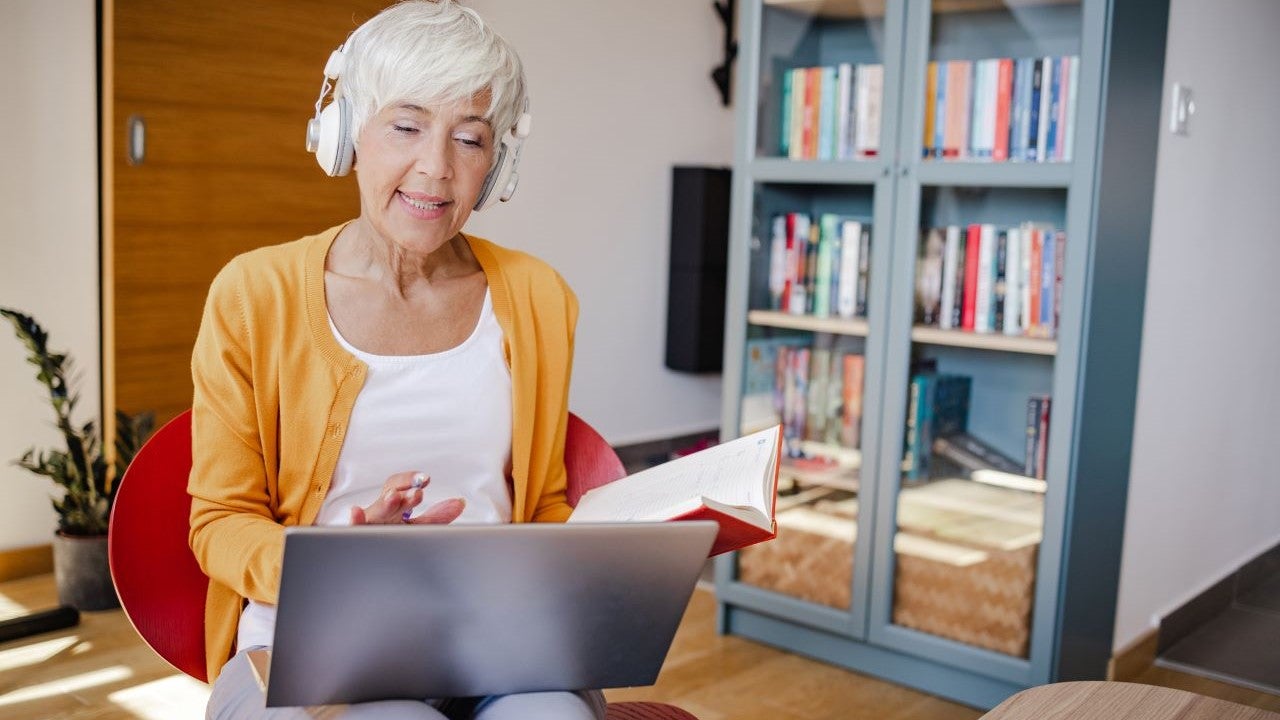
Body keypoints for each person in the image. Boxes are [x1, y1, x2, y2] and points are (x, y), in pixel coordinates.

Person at [189, 2, 603, 718]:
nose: (436, 169)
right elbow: (219, 521)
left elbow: (546, 507)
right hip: (310, 637)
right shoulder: (253, 293)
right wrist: (332, 563)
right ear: (346, 132)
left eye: (470, 140)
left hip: (497, 633)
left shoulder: (540, 297)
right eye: (406, 126)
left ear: (497, 162)